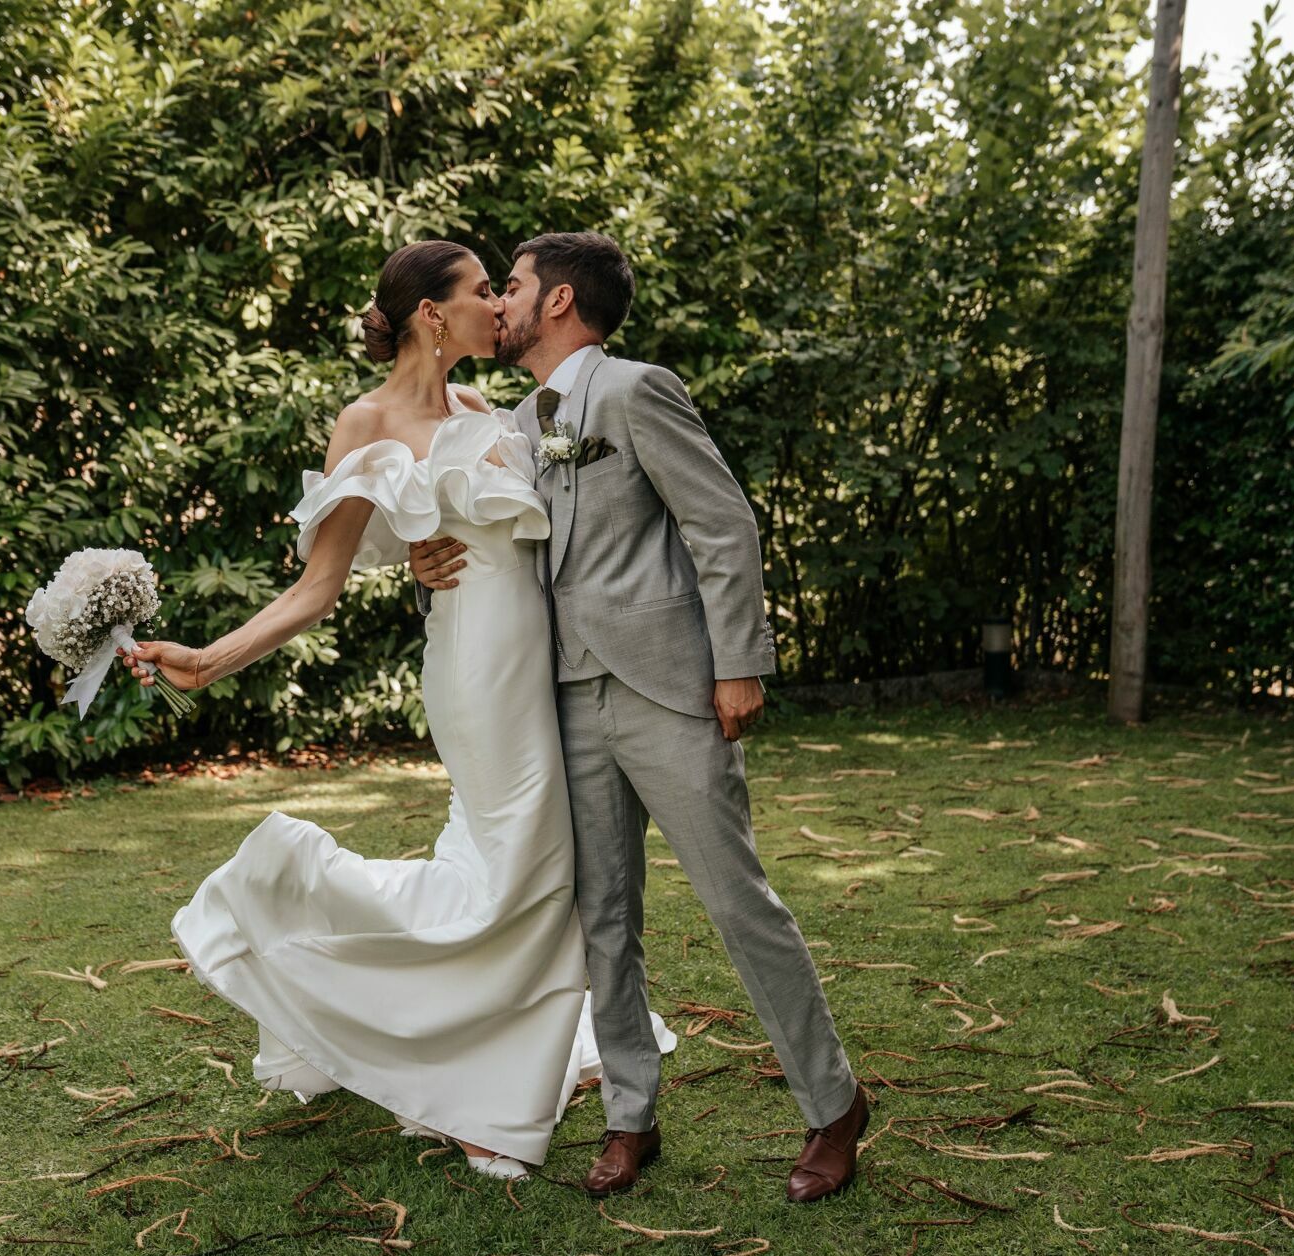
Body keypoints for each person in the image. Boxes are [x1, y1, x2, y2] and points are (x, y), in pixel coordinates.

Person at [118, 239, 671, 1182]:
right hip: (477, 671)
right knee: (518, 871)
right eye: (482, 291)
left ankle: (491, 1060)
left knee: (525, 867)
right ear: (431, 313)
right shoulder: (365, 422)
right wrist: (207, 662)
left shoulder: (479, 406)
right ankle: (469, 1084)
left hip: (536, 656)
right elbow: (316, 587)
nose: (499, 304)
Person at [409, 233, 869, 1202]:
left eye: (518, 285)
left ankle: (834, 1106)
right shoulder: (515, 423)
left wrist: (739, 663)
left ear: (561, 299)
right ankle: (630, 1113)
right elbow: (496, 549)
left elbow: (720, 521)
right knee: (602, 920)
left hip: (670, 688)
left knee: (737, 901)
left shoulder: (634, 389)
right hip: (567, 697)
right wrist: (428, 568)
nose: (503, 303)